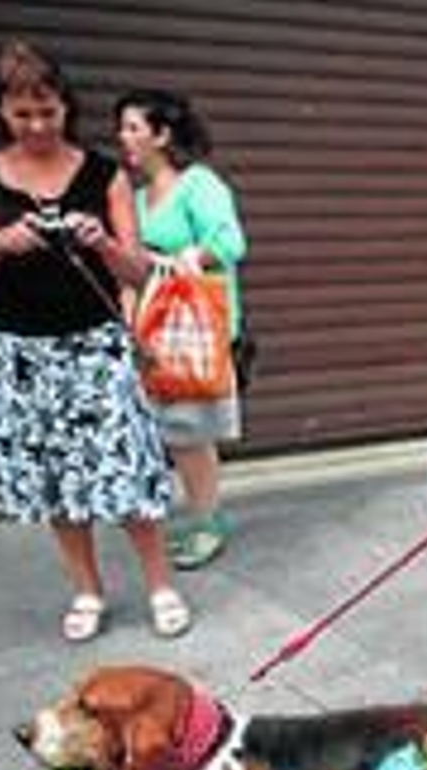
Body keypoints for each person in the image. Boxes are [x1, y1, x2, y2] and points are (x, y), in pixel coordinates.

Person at [0, 40, 191, 642]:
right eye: (21, 114)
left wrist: (102, 242)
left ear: (67, 106)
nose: (37, 125)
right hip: (18, 353)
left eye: (48, 111)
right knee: (53, 478)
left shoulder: (104, 173)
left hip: (95, 344)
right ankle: (87, 590)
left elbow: (139, 273)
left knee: (126, 467)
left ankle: (161, 585)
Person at [114, 88, 250, 570]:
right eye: (121, 127)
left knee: (190, 433)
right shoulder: (135, 198)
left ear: (162, 135)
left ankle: (208, 524)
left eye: (133, 127)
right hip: (151, 329)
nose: (122, 137)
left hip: (195, 330)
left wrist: (187, 259)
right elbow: (129, 267)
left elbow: (230, 243)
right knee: (172, 432)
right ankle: (199, 515)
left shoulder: (199, 185)